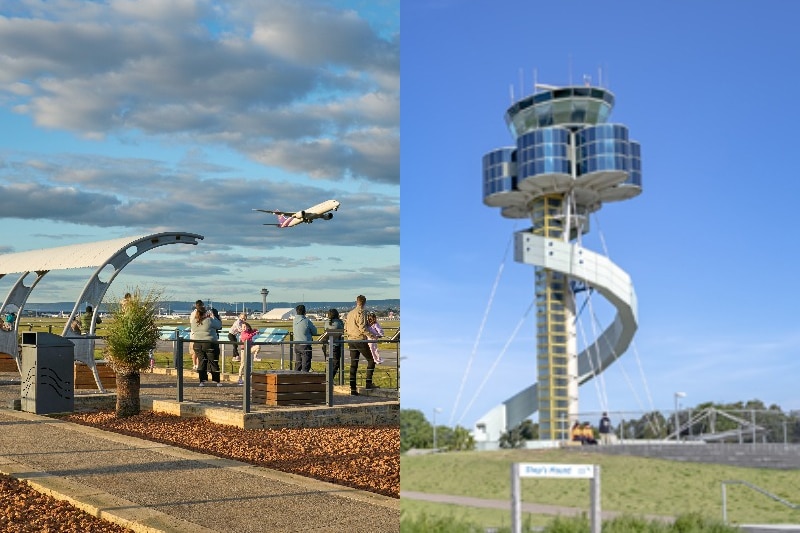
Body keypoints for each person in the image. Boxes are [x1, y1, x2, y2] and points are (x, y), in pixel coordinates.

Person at [344, 295, 376, 395]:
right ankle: (368, 383)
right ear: (365, 302)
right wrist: (372, 335)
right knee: (371, 360)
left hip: (350, 340)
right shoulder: (361, 312)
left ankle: (353, 388)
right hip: (359, 339)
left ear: (356, 302)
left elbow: (345, 328)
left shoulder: (350, 313)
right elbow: (362, 327)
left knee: (354, 363)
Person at [190, 300, 223, 387]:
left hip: (197, 344)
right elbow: (219, 325)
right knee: (213, 361)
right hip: (209, 343)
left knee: (202, 361)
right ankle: (216, 380)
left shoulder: (194, 321)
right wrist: (213, 317)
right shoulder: (208, 320)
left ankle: (202, 381)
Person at [292, 304, 317, 372]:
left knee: (298, 364)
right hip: (305, 345)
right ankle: (304, 379)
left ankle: (296, 379)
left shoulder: (294, 320)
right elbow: (315, 332)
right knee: (306, 365)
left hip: (297, 344)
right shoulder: (306, 321)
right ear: (305, 312)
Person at [322, 308, 345, 380]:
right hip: (335, 345)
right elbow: (342, 330)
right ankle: (329, 379)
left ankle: (326, 379)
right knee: (336, 363)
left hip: (326, 345)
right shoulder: (339, 323)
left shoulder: (326, 322)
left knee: (328, 363)